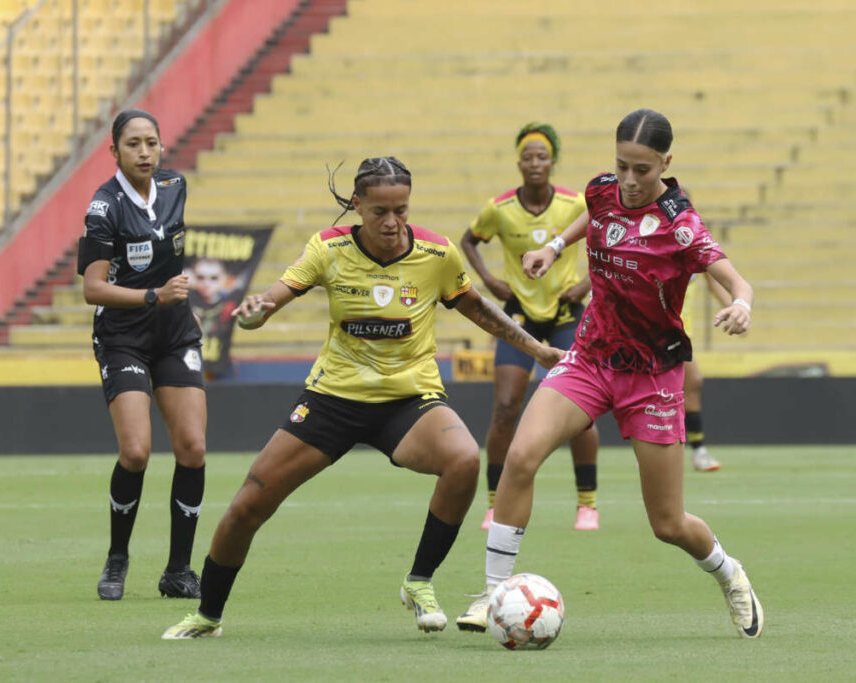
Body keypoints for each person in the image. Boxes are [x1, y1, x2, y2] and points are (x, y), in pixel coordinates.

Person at [161, 157, 562, 639]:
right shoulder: (328, 248)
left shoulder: (437, 255)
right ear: (357, 206)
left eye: (401, 210)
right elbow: (272, 298)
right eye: (379, 212)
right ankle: (208, 614)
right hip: (333, 399)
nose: (392, 223)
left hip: (408, 399)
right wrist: (253, 313)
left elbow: (477, 308)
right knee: (249, 505)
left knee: (463, 459)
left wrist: (536, 349)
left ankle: (419, 582)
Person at [455, 109, 764, 639]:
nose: (629, 180)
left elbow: (734, 280)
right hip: (592, 357)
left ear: (666, 163)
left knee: (667, 524)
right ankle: (493, 593)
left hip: (653, 375)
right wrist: (553, 248)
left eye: (642, 169)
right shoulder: (601, 191)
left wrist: (741, 306)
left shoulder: (680, 225)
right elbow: (595, 216)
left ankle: (729, 573)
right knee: (520, 456)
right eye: (621, 165)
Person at [77, 109, 206, 601]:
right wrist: (155, 296)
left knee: (192, 447)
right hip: (123, 337)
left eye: (152, 142)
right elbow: (92, 288)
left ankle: (178, 570)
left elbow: (170, 256)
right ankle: (117, 558)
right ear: (115, 152)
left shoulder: (175, 185)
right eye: (133, 144)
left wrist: (182, 307)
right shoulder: (103, 208)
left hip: (173, 334)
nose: (145, 152)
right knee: (135, 451)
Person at [460, 122, 600, 532]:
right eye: (528, 157)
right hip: (517, 315)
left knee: (581, 411)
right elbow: (469, 240)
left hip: (565, 313)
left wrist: (588, 283)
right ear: (518, 162)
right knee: (505, 409)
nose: (535, 163)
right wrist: (488, 279)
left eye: (542, 156)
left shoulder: (575, 204)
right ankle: (493, 502)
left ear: (552, 161)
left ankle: (587, 503)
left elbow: (608, 236)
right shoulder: (500, 208)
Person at [682, 272, 732, 472]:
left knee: (691, 383)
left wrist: (733, 308)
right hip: (659, 329)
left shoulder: (697, 244)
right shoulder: (655, 245)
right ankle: (698, 451)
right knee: (690, 381)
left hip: (681, 331)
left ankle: (698, 451)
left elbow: (715, 281)